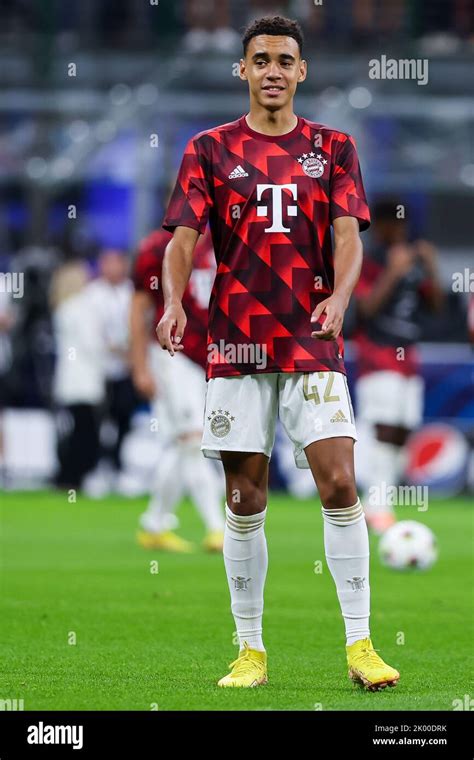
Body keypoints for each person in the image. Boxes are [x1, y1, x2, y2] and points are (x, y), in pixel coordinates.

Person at [157, 15, 400, 690]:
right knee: (244, 495)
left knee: (341, 482)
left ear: (301, 72)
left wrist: (341, 299)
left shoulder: (333, 147)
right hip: (234, 343)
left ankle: (360, 646)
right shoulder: (208, 148)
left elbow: (348, 237)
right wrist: (175, 303)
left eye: (284, 59)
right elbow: (181, 241)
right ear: (243, 70)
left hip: (309, 337)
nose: (271, 69)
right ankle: (251, 650)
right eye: (259, 58)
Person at [131, 227, 224, 552]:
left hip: (211, 356)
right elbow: (139, 306)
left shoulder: (223, 239)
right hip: (173, 354)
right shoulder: (157, 246)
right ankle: (218, 529)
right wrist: (140, 365)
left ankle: (154, 525)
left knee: (182, 445)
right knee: (192, 438)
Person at [353, 200, 444, 533]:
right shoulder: (369, 259)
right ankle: (376, 505)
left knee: (403, 430)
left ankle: (380, 502)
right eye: (394, 224)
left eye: (404, 225)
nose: (400, 231)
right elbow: (365, 308)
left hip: (409, 356)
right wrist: (393, 271)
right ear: (380, 226)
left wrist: (431, 266)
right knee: (384, 428)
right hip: (377, 353)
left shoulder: (414, 261)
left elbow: (435, 306)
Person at [51, 262, 106, 490]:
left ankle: (67, 475)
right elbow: (91, 343)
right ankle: (78, 476)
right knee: (86, 431)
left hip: (67, 377)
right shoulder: (82, 307)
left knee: (73, 430)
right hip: (85, 379)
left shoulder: (61, 308)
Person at [87, 249, 137, 486]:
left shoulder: (131, 291)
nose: (113, 268)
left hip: (127, 369)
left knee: (124, 419)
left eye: (118, 263)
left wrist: (132, 355)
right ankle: (98, 466)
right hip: (101, 369)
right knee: (99, 420)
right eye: (108, 263)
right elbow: (91, 333)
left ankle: (119, 466)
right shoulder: (92, 294)